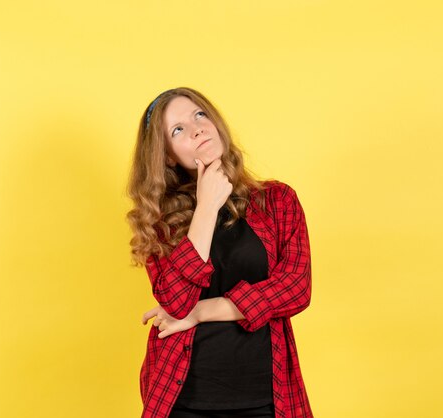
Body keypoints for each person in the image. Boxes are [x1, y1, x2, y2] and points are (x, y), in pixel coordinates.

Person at [126, 87, 314, 418]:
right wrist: (206, 208)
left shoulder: (277, 201)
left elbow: (295, 289)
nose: (196, 128)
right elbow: (175, 301)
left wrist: (202, 311)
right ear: (168, 155)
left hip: (266, 398)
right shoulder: (160, 221)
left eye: (200, 115)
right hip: (183, 397)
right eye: (178, 129)